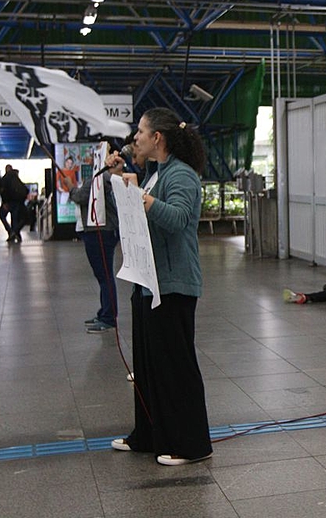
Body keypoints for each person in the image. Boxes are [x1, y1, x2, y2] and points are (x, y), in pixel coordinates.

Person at [110, 108, 212, 466]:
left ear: (158, 138)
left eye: (141, 131)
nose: (134, 137)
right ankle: (150, 434)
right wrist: (122, 182)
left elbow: (179, 219)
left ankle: (192, 444)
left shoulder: (181, 175)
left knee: (176, 367)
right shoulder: (154, 174)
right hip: (148, 284)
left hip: (173, 285)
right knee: (150, 367)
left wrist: (142, 198)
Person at [69, 144, 123, 334]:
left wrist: (71, 190)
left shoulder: (101, 177)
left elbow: (82, 196)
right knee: (103, 274)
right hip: (102, 230)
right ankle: (104, 312)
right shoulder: (102, 176)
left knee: (104, 275)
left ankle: (108, 317)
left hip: (100, 231)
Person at [0, 164, 29, 243]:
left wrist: (5, 202)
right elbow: (25, 189)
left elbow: (3, 191)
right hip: (17, 202)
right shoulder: (16, 178)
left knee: (2, 215)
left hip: (8, 202)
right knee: (15, 218)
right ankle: (16, 233)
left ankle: (11, 232)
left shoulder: (5, 178)